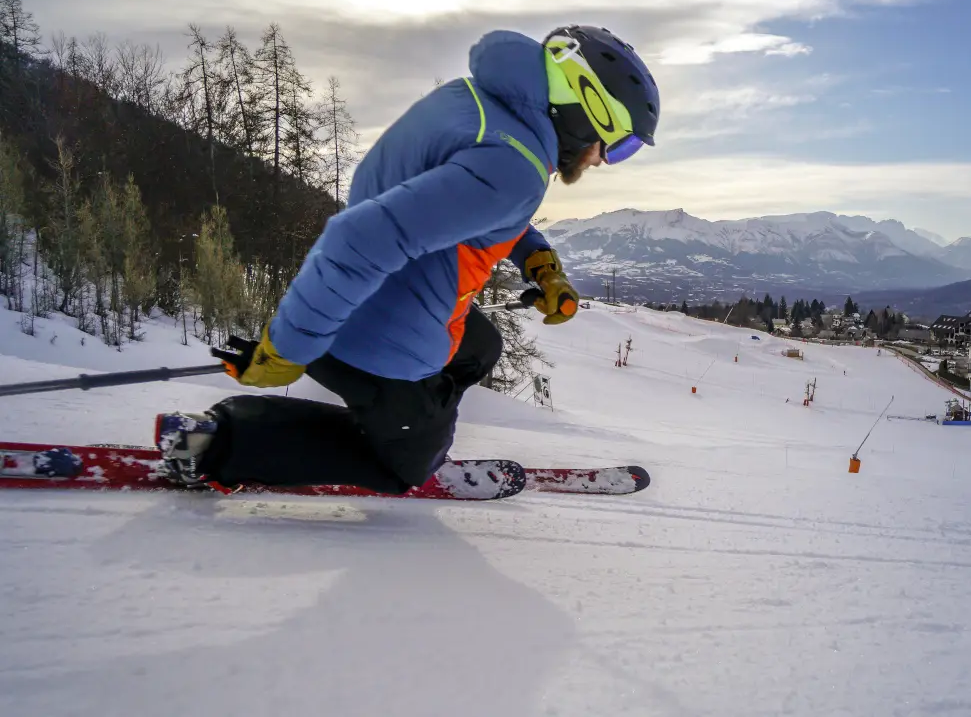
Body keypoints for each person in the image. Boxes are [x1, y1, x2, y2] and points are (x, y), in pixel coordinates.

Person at [155, 26, 660, 493]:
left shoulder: (478, 104)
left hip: (363, 303)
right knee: (404, 469)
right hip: (378, 340)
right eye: (620, 145)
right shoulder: (517, 165)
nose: (603, 159)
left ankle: (405, 420)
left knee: (481, 347)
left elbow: (460, 200)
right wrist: (289, 347)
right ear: (590, 107)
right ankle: (219, 443)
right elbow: (360, 238)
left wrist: (541, 263)